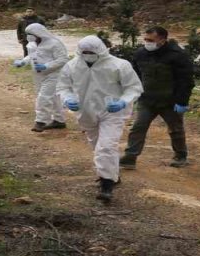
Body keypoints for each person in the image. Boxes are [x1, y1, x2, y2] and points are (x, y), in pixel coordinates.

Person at [56, 35, 143, 203]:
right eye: (85, 52)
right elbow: (63, 87)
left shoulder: (119, 65)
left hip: (112, 113)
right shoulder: (72, 65)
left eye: (91, 52)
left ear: (101, 50)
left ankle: (106, 184)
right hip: (86, 113)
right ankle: (112, 174)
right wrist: (67, 99)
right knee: (98, 146)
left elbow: (133, 88)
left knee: (106, 146)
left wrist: (123, 102)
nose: (88, 55)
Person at [123, 26, 195, 169]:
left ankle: (180, 156)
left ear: (162, 40)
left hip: (170, 102)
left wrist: (182, 101)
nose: (147, 42)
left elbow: (186, 80)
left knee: (175, 130)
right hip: (147, 100)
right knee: (138, 127)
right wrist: (133, 92)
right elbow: (135, 76)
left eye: (151, 40)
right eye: (145, 39)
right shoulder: (140, 54)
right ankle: (130, 157)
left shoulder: (177, 56)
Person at [12, 22, 70, 132]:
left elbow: (63, 59)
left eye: (31, 34)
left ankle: (41, 121)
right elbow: (32, 56)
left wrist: (47, 66)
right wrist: (23, 61)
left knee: (43, 97)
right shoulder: (32, 44)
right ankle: (59, 120)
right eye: (27, 34)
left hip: (53, 75)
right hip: (38, 75)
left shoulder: (54, 44)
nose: (28, 36)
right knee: (53, 98)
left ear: (38, 33)